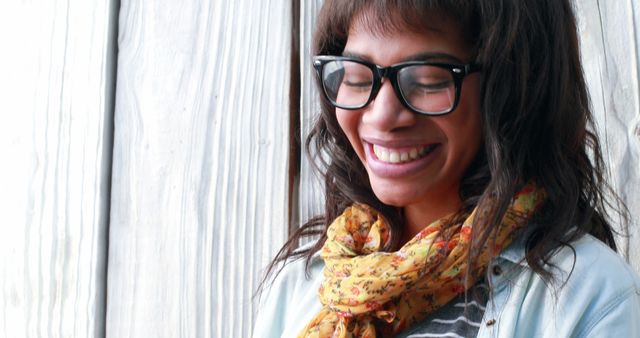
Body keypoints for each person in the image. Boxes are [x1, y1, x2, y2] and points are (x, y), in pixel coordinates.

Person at [253, 0, 640, 337]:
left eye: (427, 79)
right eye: (355, 75)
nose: (382, 116)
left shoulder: (590, 297)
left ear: (512, 91)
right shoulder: (303, 285)